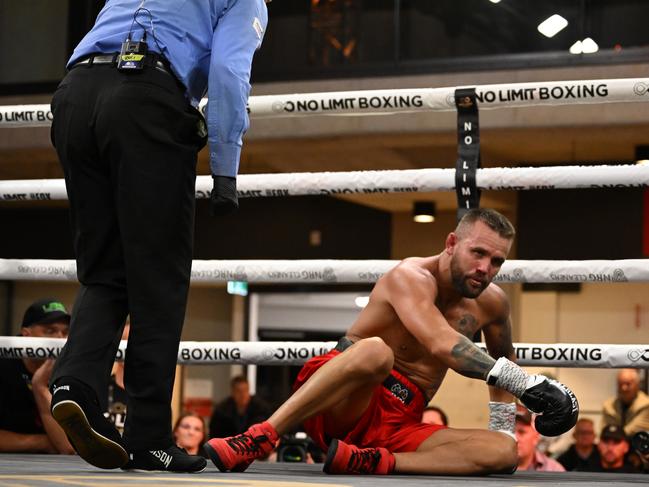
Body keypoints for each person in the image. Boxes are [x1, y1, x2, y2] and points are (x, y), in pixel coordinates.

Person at [47, 0, 268, 474]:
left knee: (103, 270)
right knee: (159, 282)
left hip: (73, 95)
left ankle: (73, 385)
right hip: (145, 98)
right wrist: (225, 171)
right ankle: (147, 437)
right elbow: (230, 71)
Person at [204, 208, 579, 476]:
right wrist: (527, 384)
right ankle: (258, 438)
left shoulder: (493, 302)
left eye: (496, 260)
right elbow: (441, 343)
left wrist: (504, 426)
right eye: (477, 253)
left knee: (504, 452)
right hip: (343, 395)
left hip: (399, 422)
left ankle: (371, 461)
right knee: (376, 351)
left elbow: (503, 366)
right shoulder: (410, 277)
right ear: (452, 243)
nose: (485, 268)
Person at [0, 299, 74, 454]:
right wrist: (43, 442)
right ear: (26, 334)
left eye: (65, 332)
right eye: (50, 331)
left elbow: (68, 447)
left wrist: (40, 386)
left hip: (59, 469)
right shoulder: (5, 368)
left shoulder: (70, 370)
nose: (60, 339)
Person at [515, 405, 565, 472]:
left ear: (536, 437)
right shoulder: (496, 467)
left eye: (522, 432)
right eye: (510, 432)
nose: (515, 438)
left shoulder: (553, 470)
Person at [602, 369, 649, 437]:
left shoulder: (646, 405)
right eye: (620, 384)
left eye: (628, 384)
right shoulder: (608, 405)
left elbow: (632, 430)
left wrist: (613, 435)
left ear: (637, 385)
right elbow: (605, 430)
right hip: (613, 445)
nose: (623, 388)